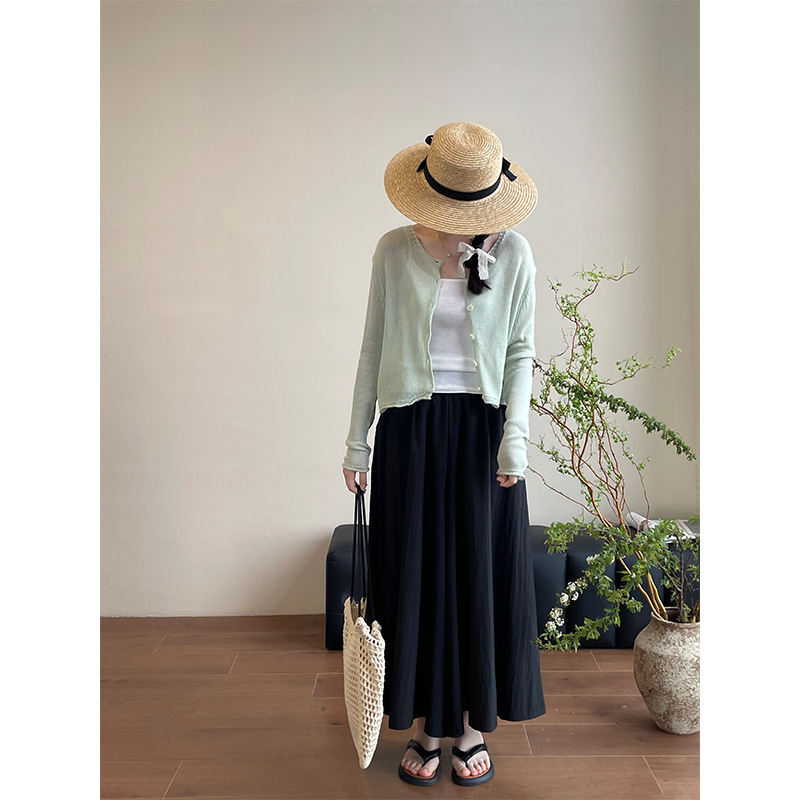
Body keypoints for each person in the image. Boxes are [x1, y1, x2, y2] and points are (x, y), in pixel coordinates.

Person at [341, 121, 546, 787]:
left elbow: (521, 350)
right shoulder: (394, 251)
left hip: (486, 431)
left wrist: (515, 437)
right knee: (417, 575)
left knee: (478, 575)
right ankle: (429, 725)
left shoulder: (513, 253)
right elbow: (373, 345)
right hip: (411, 429)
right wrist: (357, 441)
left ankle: (473, 726)